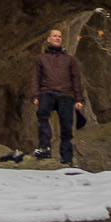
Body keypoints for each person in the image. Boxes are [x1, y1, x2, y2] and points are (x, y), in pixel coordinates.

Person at [30, 27, 85, 164]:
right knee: (42, 117)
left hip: (66, 95)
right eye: (54, 36)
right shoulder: (40, 59)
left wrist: (78, 99)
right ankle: (44, 148)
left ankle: (66, 158)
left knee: (66, 126)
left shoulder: (70, 60)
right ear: (48, 39)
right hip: (46, 92)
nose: (57, 38)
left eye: (59, 36)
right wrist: (35, 95)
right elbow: (35, 78)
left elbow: (76, 80)